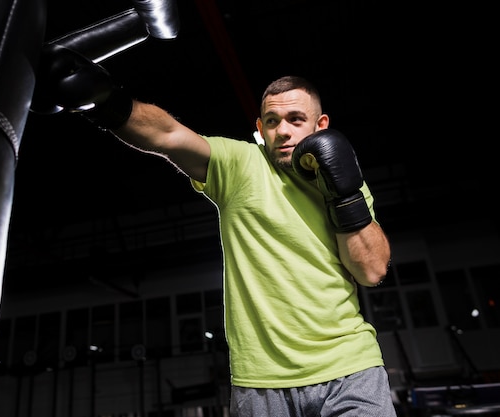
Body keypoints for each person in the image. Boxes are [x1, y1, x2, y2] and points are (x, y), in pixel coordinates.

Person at [45, 54, 396, 416]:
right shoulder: (242, 164)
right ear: (261, 126)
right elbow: (168, 135)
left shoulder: (344, 180)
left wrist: (345, 195)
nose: (284, 131)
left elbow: (371, 270)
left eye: (296, 119)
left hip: (350, 368)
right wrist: (106, 101)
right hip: (262, 382)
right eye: (273, 121)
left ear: (321, 125)